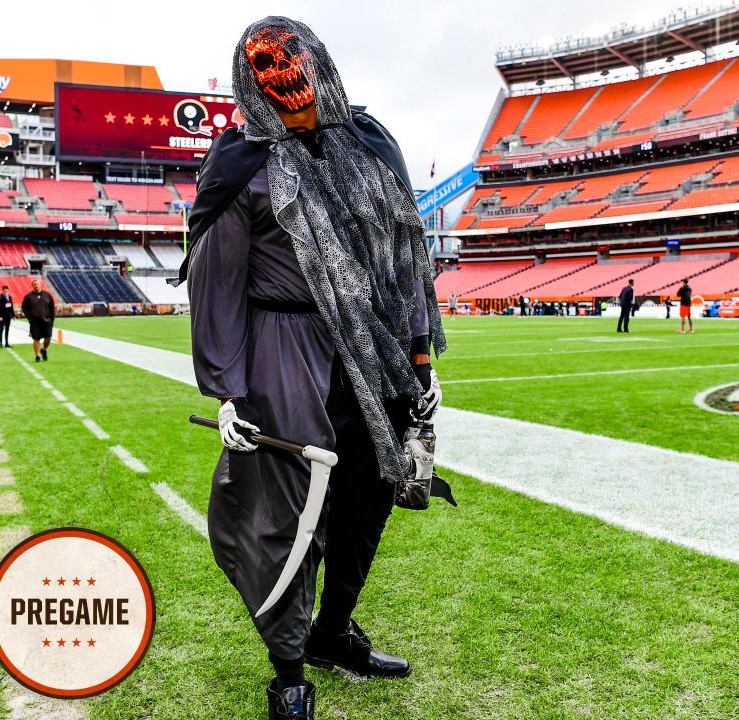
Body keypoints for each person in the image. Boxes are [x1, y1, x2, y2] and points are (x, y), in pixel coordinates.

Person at [183, 17, 446, 720]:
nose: (283, 77)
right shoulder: (240, 161)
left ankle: (335, 632)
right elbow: (217, 281)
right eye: (263, 66)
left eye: (291, 59)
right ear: (248, 81)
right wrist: (229, 390)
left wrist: (420, 359)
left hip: (377, 353)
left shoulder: (371, 142)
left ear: (320, 62)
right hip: (283, 350)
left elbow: (408, 261)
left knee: (370, 495)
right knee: (287, 514)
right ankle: (290, 668)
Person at [21, 277, 56, 362]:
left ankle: (44, 349)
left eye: (38, 284)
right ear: (32, 286)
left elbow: (52, 307)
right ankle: (37, 355)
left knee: (48, 337)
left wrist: (52, 318)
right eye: (34, 284)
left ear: (41, 285)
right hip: (34, 321)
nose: (36, 285)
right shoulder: (28, 296)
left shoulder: (47, 295)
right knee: (36, 338)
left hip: (47, 320)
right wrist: (29, 317)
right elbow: (24, 307)